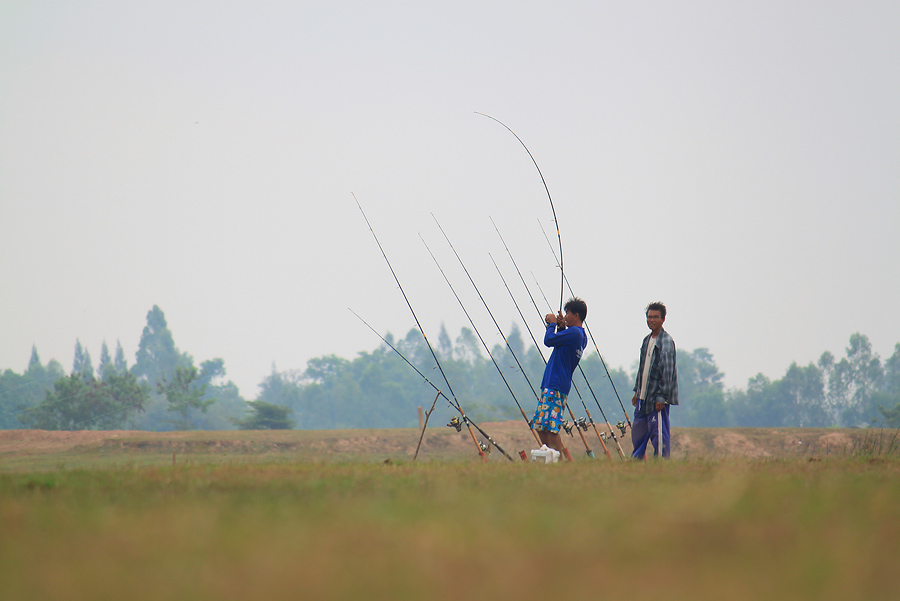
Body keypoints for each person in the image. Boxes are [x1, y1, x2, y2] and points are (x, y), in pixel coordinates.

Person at [532, 297, 588, 457]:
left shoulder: (576, 333)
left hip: (556, 384)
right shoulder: (580, 335)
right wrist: (562, 328)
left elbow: (549, 340)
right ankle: (552, 457)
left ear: (576, 315)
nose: (565, 316)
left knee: (550, 426)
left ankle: (561, 460)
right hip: (553, 383)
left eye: (567, 313)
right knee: (541, 425)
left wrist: (552, 324)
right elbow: (563, 345)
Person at [631, 301, 679, 459]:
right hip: (643, 397)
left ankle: (661, 462)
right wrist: (637, 391)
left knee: (658, 432)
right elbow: (642, 368)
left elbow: (668, 371)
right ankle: (636, 460)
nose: (651, 320)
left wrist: (662, 397)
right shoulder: (646, 340)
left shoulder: (666, 342)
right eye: (649, 317)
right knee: (638, 432)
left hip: (656, 398)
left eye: (655, 317)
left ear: (663, 319)